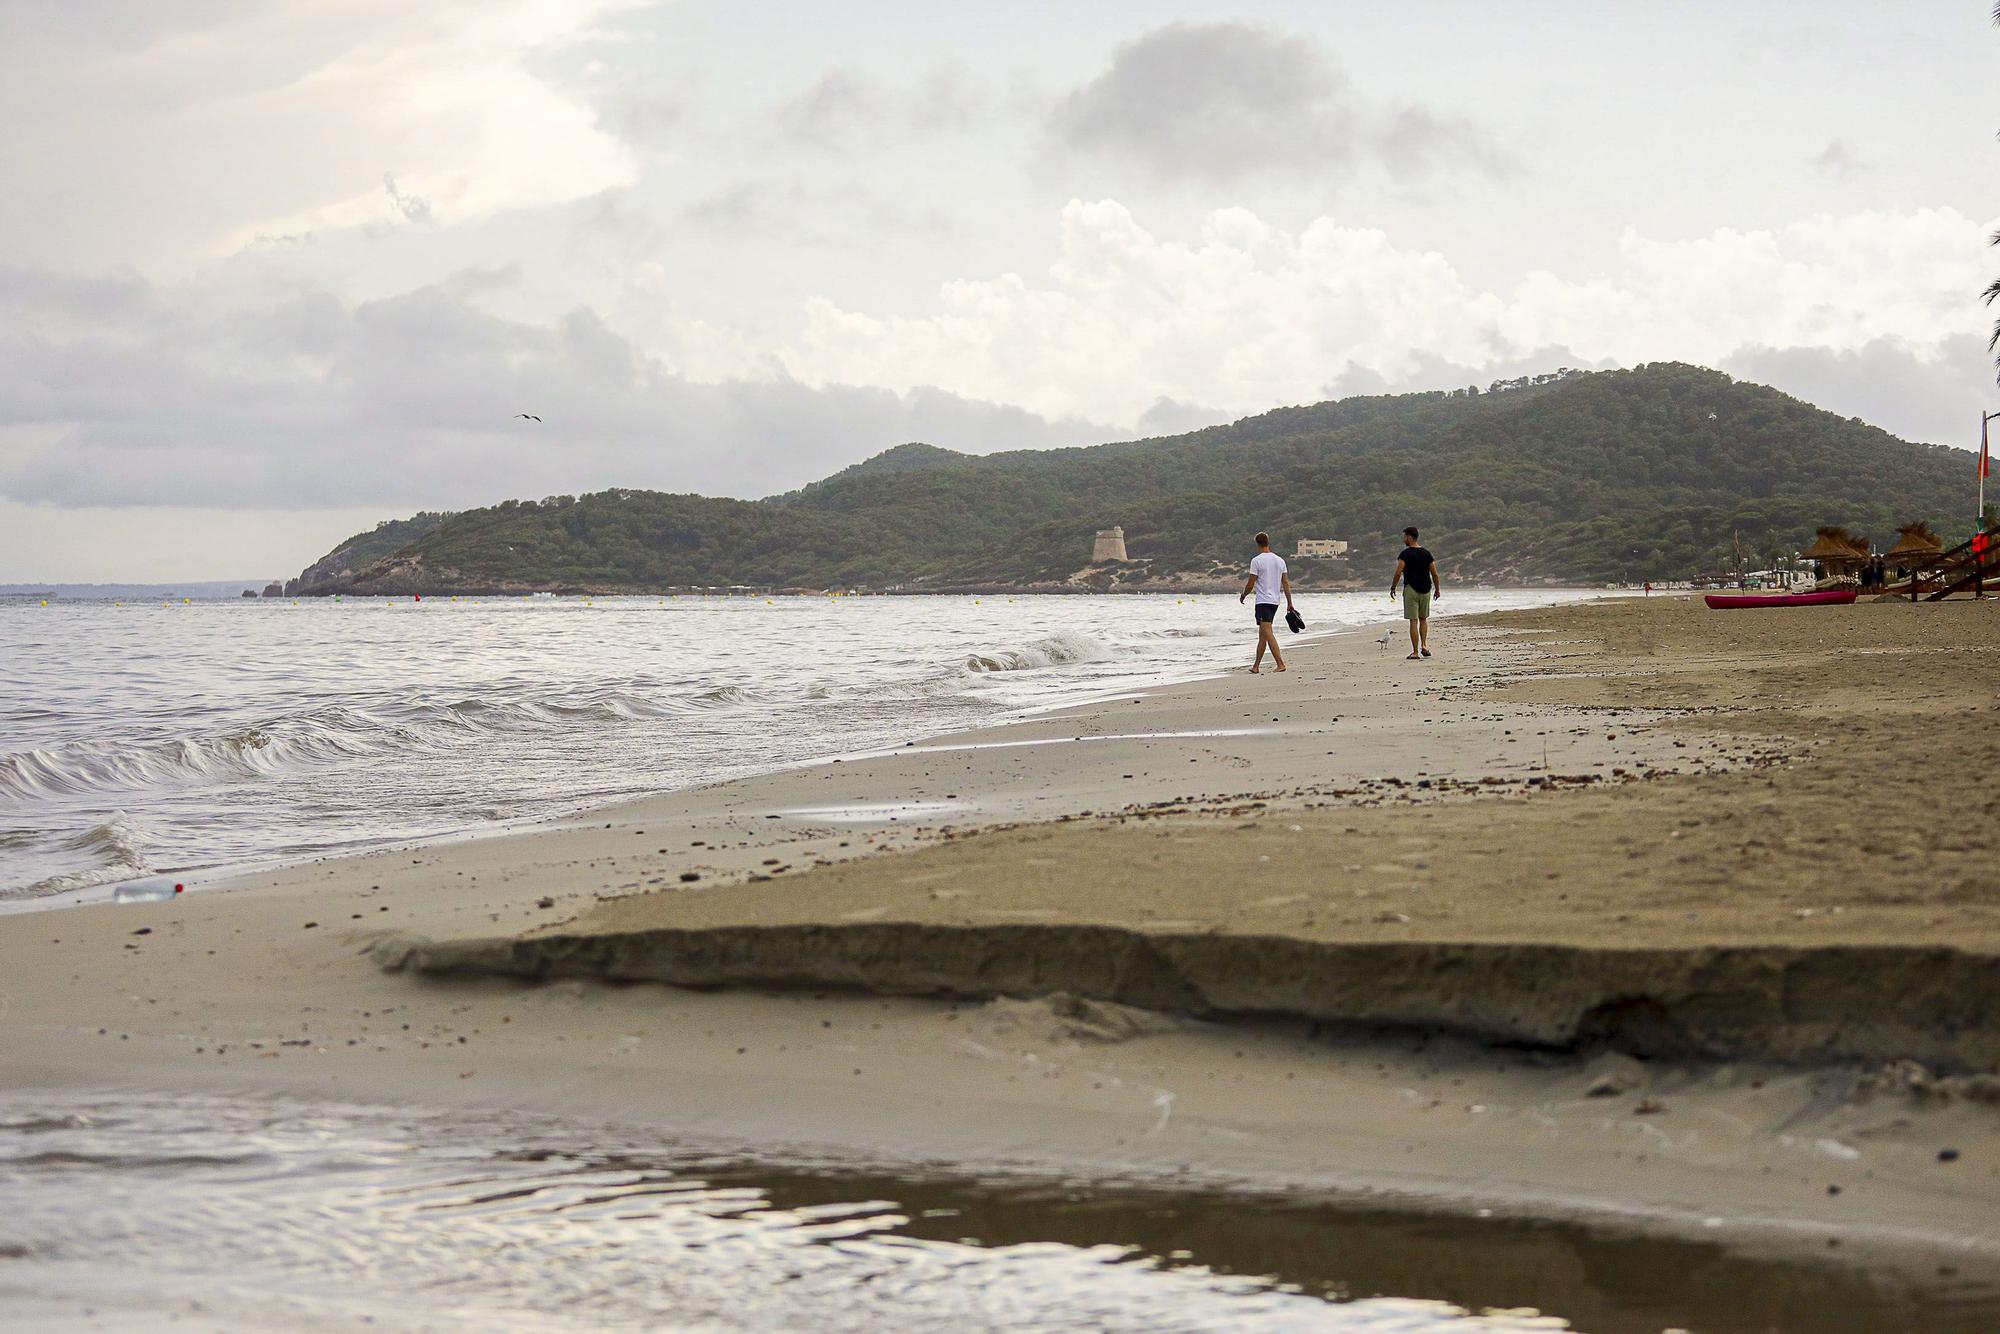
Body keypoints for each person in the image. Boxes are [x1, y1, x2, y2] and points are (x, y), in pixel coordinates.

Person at [1238, 531, 1294, 674]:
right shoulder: (1280, 560)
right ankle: (1256, 666)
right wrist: (1289, 602)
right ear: (1268, 542)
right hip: (1275, 601)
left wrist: (1244, 595)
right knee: (1263, 633)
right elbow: (1286, 583)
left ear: (1257, 544)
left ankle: (1280, 663)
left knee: (1267, 632)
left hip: (1263, 601)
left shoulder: (1256, 561)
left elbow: (1250, 584)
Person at [1388, 526, 1440, 659]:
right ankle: (1424, 646)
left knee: (1413, 621)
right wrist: (1437, 589)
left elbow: (1398, 572)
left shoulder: (1405, 554)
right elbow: (1434, 573)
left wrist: (1393, 587)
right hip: (1426, 590)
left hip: (1411, 589)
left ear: (1410, 537)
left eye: (1404, 536)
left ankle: (1416, 652)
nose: (1403, 539)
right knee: (1423, 619)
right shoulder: (1427, 553)